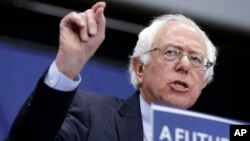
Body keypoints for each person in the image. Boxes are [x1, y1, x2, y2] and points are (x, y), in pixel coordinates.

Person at [5, 1, 217, 141]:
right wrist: (66, 67)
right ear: (140, 67)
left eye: (197, 59)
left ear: (203, 82)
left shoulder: (222, 135)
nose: (185, 65)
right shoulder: (88, 114)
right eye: (171, 52)